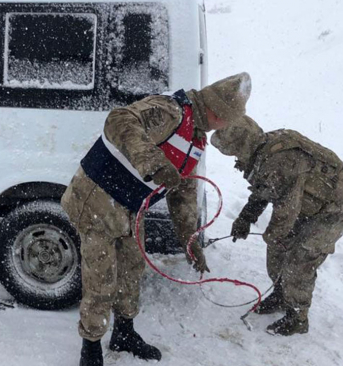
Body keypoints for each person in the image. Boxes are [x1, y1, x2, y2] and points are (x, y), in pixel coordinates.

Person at [61, 73, 252, 366]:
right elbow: (119, 120)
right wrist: (154, 163)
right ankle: (91, 347)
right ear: (217, 112)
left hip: (130, 205)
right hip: (98, 197)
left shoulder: (196, 137)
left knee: (132, 269)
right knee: (101, 276)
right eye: (229, 119)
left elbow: (182, 195)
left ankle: (124, 332)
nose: (227, 126)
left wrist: (191, 243)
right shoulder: (171, 110)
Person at [210, 116, 343, 336]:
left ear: (242, 144)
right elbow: (267, 188)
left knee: (301, 258)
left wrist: (273, 235)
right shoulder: (264, 148)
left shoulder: (281, 161)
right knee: (278, 249)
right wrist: (245, 218)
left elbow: (285, 212)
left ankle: (298, 317)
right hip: (308, 202)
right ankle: (282, 295)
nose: (235, 157)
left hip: (336, 207)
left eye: (234, 151)